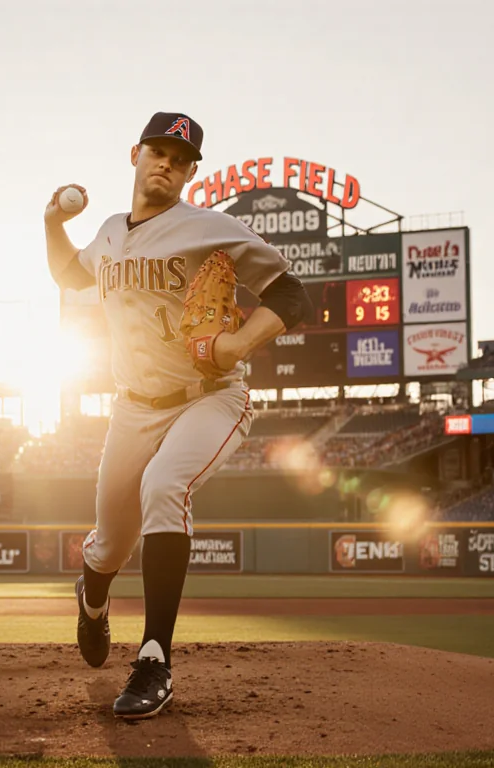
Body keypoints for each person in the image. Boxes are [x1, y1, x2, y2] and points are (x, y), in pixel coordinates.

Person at [43, 111, 312, 720]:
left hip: (209, 396)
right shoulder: (110, 233)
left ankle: (155, 659)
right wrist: (52, 222)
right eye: (159, 151)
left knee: (165, 487)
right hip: (133, 408)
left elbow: (292, 294)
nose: (168, 162)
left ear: (192, 172)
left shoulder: (210, 228)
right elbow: (66, 272)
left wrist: (240, 344)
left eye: (182, 158)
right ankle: (92, 596)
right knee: (109, 544)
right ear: (135, 154)